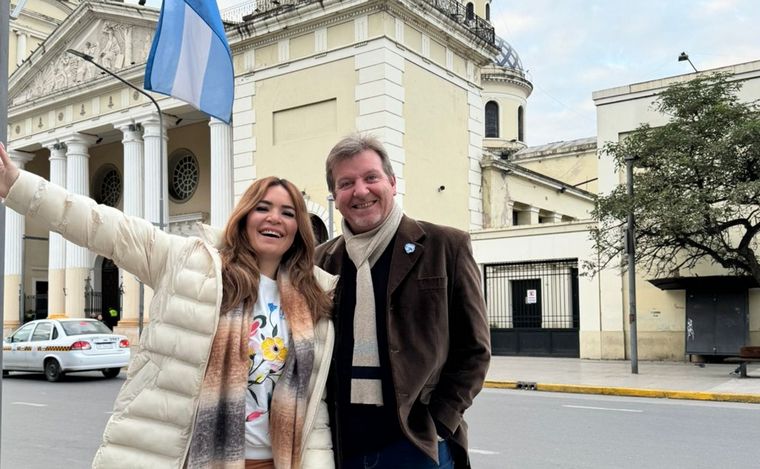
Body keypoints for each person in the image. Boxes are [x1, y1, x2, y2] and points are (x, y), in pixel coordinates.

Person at [0, 143, 336, 469]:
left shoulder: (313, 299)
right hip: (196, 457)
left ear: (298, 229)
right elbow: (102, 226)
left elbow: (314, 407)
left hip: (276, 461)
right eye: (263, 207)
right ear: (245, 217)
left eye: (287, 213)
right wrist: (18, 185)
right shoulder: (190, 263)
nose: (274, 218)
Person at [315, 134, 491, 468]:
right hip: (343, 448)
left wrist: (440, 421)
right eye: (346, 183)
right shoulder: (321, 262)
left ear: (392, 183)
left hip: (418, 446)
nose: (361, 191)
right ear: (335, 196)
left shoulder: (445, 246)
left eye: (371, 178)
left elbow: (475, 349)